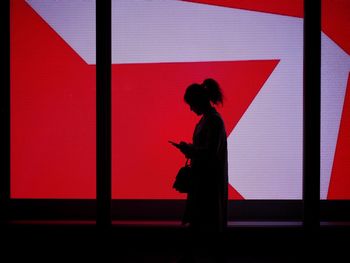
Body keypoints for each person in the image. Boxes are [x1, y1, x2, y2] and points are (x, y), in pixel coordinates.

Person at [174, 78, 228, 262]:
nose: (190, 109)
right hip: (204, 182)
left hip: (208, 183)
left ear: (198, 101)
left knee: (204, 223)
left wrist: (189, 150)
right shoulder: (209, 120)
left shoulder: (213, 121)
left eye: (191, 104)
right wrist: (191, 148)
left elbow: (210, 152)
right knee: (201, 223)